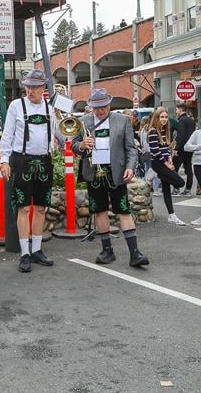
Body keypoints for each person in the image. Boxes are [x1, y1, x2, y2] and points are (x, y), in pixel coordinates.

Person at [73, 88, 149, 267]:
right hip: (94, 172)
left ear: (109, 104)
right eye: (97, 108)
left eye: (104, 107)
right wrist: (82, 145)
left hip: (116, 172)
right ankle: (107, 251)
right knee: (99, 210)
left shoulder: (122, 120)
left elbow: (131, 148)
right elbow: (74, 145)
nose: (100, 111)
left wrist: (130, 168)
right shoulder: (83, 121)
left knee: (123, 210)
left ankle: (135, 253)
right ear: (91, 106)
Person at [0, 69, 59, 273]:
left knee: (41, 207)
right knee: (24, 208)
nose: (30, 90)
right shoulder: (17, 105)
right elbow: (7, 135)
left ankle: (37, 250)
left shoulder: (49, 108)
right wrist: (4, 161)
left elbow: (55, 133)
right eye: (28, 86)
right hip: (21, 161)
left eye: (35, 87)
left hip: (44, 161)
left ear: (44, 88)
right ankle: (24, 252)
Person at [147, 107, 186, 225]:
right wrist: (166, 165)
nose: (164, 119)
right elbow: (155, 151)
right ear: (156, 118)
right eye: (161, 117)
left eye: (166, 117)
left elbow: (164, 148)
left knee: (166, 190)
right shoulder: (153, 131)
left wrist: (170, 159)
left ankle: (171, 215)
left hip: (164, 162)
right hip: (158, 164)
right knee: (180, 183)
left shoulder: (164, 130)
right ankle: (155, 173)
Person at [172, 103, 196, 196]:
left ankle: (176, 188)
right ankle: (188, 189)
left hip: (181, 148)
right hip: (189, 148)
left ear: (180, 110)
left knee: (175, 168)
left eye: (177, 109)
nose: (176, 111)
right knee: (188, 168)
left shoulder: (181, 120)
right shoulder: (191, 120)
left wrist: (176, 148)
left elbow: (180, 135)